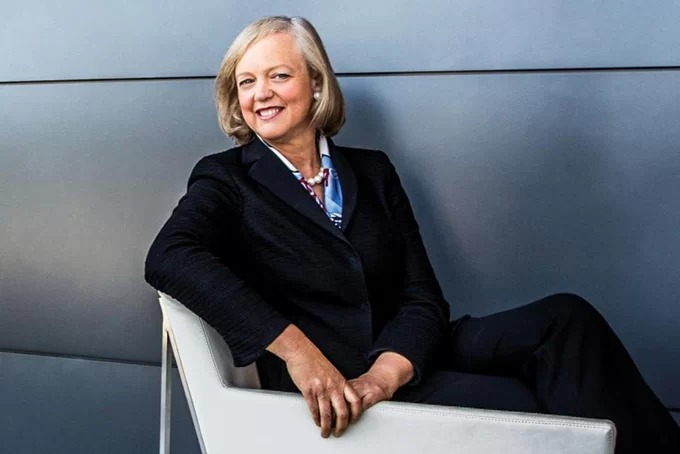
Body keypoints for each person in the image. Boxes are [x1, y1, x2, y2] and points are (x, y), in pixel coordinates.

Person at [145, 15, 680, 453]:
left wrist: (387, 373)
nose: (261, 94)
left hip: (405, 354)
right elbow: (170, 256)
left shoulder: (372, 169)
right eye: (246, 81)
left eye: (279, 76)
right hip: (335, 380)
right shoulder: (227, 178)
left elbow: (422, 296)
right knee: (532, 402)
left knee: (567, 319)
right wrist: (298, 352)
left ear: (316, 82)